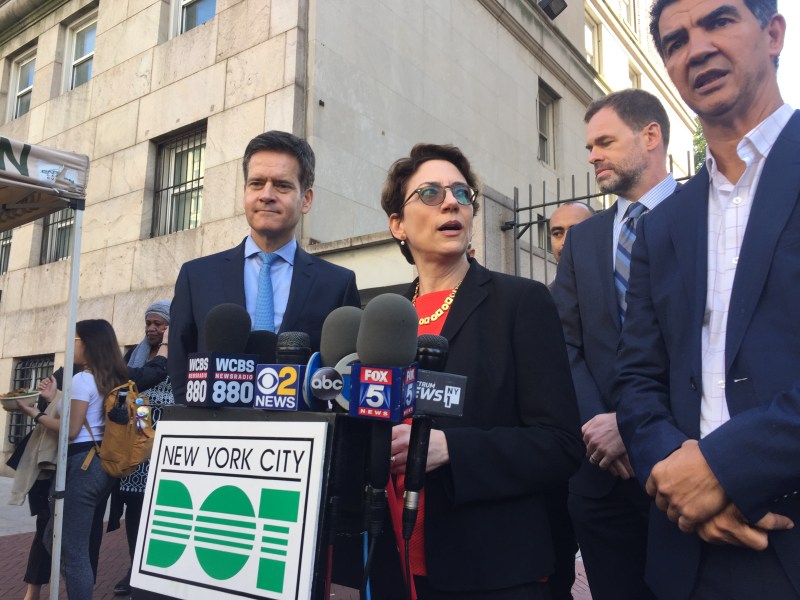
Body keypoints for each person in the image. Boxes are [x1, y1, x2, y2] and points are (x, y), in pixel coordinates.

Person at [614, 1, 800, 598]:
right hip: (687, 553)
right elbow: (637, 379)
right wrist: (680, 480)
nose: (695, 50)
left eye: (719, 21)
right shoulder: (663, 226)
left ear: (773, 34)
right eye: (674, 42)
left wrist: (725, 470)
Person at [368, 143, 582, 599]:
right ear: (398, 225)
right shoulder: (381, 318)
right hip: (393, 567)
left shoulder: (521, 303)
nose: (450, 202)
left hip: (492, 572)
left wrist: (451, 449)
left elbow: (561, 445)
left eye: (461, 194)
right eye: (429, 193)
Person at [550, 88, 677, 600]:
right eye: (588, 146)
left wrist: (636, 426)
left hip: (680, 461)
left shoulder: (699, 214)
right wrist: (601, 426)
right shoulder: (584, 239)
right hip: (599, 473)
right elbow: (565, 340)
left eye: (604, 141)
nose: (591, 155)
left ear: (650, 136)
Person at [169, 130, 361, 403]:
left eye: (282, 185)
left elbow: (341, 377)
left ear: (306, 199)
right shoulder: (197, 276)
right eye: (256, 183)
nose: (266, 195)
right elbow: (179, 367)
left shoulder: (337, 284)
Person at [18, 320, 129, 600]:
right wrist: (55, 396)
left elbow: (71, 430)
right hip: (103, 466)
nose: (73, 345)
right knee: (54, 538)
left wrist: (35, 414)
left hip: (82, 465)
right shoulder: (112, 379)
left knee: (74, 551)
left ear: (88, 344)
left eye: (76, 339)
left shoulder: (82, 379)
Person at [108, 300, 173, 596]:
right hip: (135, 450)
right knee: (134, 512)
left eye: (158, 324)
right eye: (149, 323)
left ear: (170, 327)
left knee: (160, 513)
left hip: (163, 446)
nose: (151, 328)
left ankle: (158, 572)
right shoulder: (135, 354)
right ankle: (135, 568)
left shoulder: (178, 356)